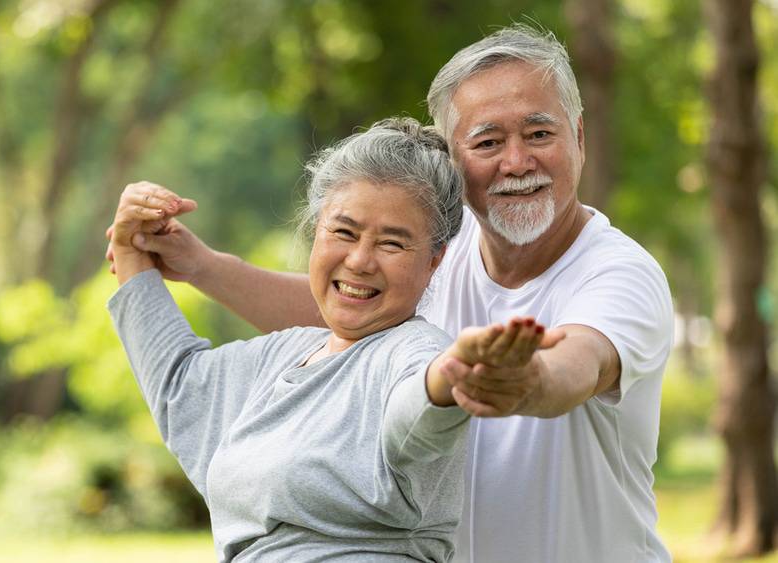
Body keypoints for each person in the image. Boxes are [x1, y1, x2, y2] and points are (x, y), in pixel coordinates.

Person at [107, 26, 673, 562]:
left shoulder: (617, 273)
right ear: (454, 163)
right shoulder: (439, 248)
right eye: (488, 141)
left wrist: (524, 380)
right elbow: (350, 311)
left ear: (578, 135)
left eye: (540, 133)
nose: (517, 161)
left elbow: (579, 362)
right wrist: (202, 267)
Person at [107, 117, 565, 562]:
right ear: (315, 231)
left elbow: (415, 418)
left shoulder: (414, 353)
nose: (360, 261)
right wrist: (131, 253)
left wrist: (448, 382)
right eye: (344, 232)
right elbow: (177, 383)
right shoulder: (282, 357)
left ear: (434, 261)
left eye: (392, 243)